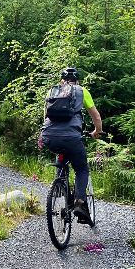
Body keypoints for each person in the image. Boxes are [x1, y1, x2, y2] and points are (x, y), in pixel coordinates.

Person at [40, 67, 103, 222]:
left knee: (60, 155)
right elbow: (96, 116)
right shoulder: (82, 91)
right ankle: (79, 203)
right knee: (81, 169)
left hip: (49, 136)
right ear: (77, 81)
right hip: (72, 137)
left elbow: (45, 116)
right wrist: (97, 132)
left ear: (62, 80)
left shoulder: (52, 91)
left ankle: (60, 185)